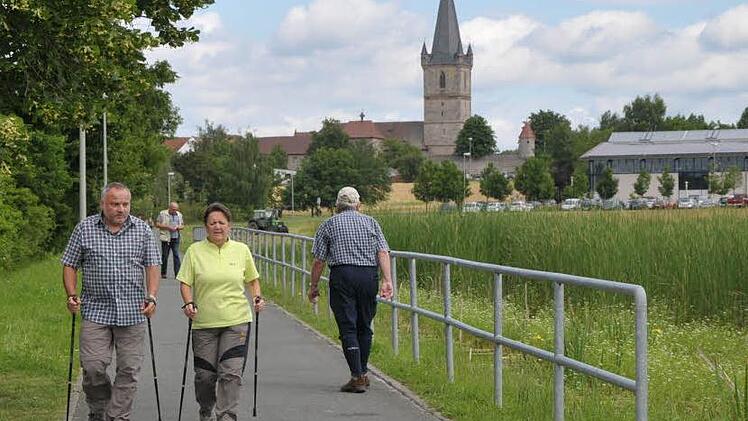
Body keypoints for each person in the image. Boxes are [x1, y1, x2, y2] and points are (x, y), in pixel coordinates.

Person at [61, 182, 161, 421]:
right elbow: (69, 264)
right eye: (115, 204)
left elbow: (153, 264)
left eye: (125, 204)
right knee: (93, 367)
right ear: (103, 205)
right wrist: (71, 294)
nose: (121, 209)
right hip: (96, 310)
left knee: (129, 370)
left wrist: (152, 295)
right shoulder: (85, 229)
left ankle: (116, 416)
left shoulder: (142, 230)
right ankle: (99, 410)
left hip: (133, 312)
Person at [177, 202, 266, 421]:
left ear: (229, 225)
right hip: (204, 323)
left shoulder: (241, 250)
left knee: (231, 373)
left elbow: (252, 280)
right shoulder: (194, 251)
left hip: (237, 320)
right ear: (206, 227)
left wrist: (257, 297)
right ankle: (206, 410)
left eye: (222, 222)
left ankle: (226, 416)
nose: (217, 227)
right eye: (212, 223)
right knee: (205, 377)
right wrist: (188, 303)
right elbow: (185, 283)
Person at [308, 186, 393, 393]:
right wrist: (387, 280)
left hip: (342, 276)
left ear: (337, 206)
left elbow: (319, 260)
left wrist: (313, 286)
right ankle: (362, 373)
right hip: (367, 276)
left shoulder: (328, 225)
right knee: (365, 325)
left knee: (348, 326)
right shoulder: (371, 222)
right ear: (358, 205)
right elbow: (382, 251)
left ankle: (357, 376)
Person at [155, 201, 184, 278]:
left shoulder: (179, 215)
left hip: (176, 238)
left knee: (176, 255)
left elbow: (182, 226)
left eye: (176, 209)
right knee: (165, 256)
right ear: (169, 208)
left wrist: (178, 227)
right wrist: (168, 227)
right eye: (173, 209)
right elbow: (157, 224)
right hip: (166, 238)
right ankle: (163, 273)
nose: (175, 211)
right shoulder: (162, 214)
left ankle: (177, 274)